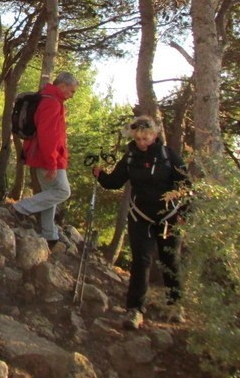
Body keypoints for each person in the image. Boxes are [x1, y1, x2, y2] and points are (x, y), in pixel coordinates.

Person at [92, 116, 189, 330]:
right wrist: (100, 175)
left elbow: (185, 185)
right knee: (141, 262)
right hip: (140, 217)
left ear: (154, 135)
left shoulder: (168, 156)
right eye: (138, 139)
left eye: (146, 138)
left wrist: (184, 214)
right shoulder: (130, 157)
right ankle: (135, 310)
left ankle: (175, 306)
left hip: (168, 217)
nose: (142, 143)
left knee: (170, 261)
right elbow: (114, 182)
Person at [9, 72, 78, 250]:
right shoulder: (52, 103)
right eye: (71, 91)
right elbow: (48, 136)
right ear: (62, 86)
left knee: (50, 194)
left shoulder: (48, 99)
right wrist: (52, 163)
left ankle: (49, 234)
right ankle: (20, 208)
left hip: (43, 155)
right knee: (63, 191)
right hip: (48, 157)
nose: (72, 95)